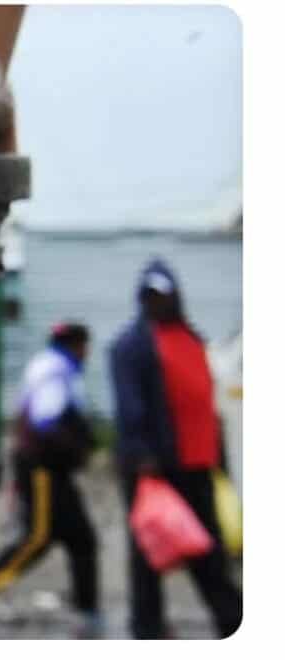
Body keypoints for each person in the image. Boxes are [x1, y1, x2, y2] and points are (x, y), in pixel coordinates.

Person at [108, 259, 242, 639]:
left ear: (175, 296)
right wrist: (142, 456)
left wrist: (219, 459)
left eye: (163, 295)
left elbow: (206, 402)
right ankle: (147, 628)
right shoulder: (132, 345)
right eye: (150, 296)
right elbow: (129, 406)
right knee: (149, 552)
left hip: (196, 464)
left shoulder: (192, 338)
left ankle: (232, 620)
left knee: (206, 548)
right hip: (155, 467)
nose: (157, 302)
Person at [0, 322, 102, 638]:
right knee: (38, 537)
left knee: (81, 539)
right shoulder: (54, 370)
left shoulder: (56, 367)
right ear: (75, 345)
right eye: (84, 346)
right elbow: (46, 420)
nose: (87, 353)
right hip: (44, 468)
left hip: (54, 469)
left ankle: (87, 611)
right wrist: (77, 447)